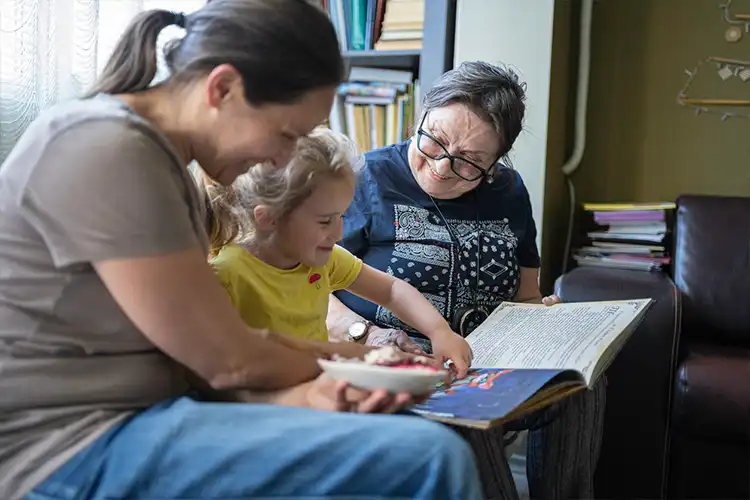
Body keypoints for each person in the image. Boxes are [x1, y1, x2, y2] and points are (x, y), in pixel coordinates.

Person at [0, 2, 483, 499]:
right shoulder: (110, 149)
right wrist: (369, 364)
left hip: (148, 413)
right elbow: (228, 360)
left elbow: (221, 347)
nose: (280, 160)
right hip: (63, 445)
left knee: (397, 434)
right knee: (426, 458)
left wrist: (333, 377)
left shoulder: (156, 161)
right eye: (286, 134)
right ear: (223, 89)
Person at [327, 61, 607, 500]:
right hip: (402, 366)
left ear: (494, 163)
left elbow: (526, 295)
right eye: (434, 140)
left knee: (578, 382)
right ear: (422, 113)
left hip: (490, 358)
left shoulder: (509, 191)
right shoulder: (364, 177)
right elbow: (309, 283)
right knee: (465, 406)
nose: (441, 167)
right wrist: (368, 334)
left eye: (470, 163)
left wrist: (545, 326)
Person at [198, 126, 473, 375]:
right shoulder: (225, 275)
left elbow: (391, 291)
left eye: (341, 216)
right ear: (269, 218)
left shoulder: (322, 258)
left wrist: (439, 332)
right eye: (325, 221)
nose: (339, 233)